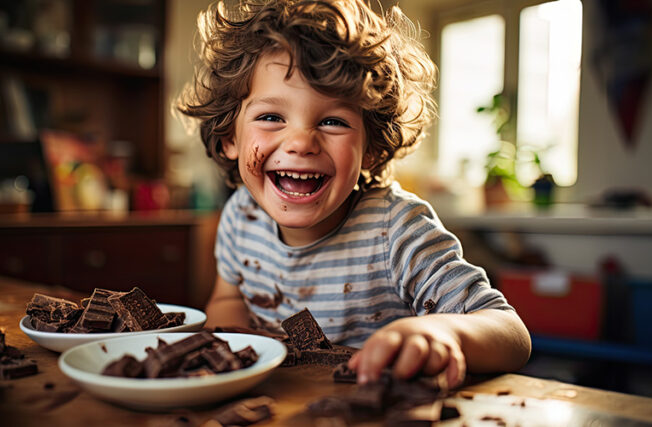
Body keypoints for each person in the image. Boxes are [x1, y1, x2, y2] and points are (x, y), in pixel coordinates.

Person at [176, 0, 531, 388]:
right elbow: (229, 300)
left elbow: (511, 334)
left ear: (372, 148)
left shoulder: (397, 229)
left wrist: (444, 334)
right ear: (230, 137)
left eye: (333, 121)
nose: (300, 141)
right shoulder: (240, 218)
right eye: (271, 117)